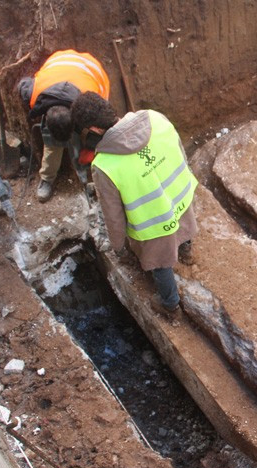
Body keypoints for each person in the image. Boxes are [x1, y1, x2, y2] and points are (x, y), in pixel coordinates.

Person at [70, 91, 197, 315]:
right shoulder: (154, 118)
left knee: (160, 262)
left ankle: (169, 305)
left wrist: (119, 247)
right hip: (181, 196)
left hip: (155, 223)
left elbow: (113, 216)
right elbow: (179, 153)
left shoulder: (105, 165)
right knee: (183, 226)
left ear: (94, 130)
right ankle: (186, 250)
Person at [17, 49, 110, 202]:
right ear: (46, 116)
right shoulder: (33, 94)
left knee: (94, 134)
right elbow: (22, 84)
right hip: (58, 63)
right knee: (52, 145)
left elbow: (103, 125)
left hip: (90, 69)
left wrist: (90, 147)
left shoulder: (91, 101)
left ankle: (93, 173)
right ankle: (47, 178)